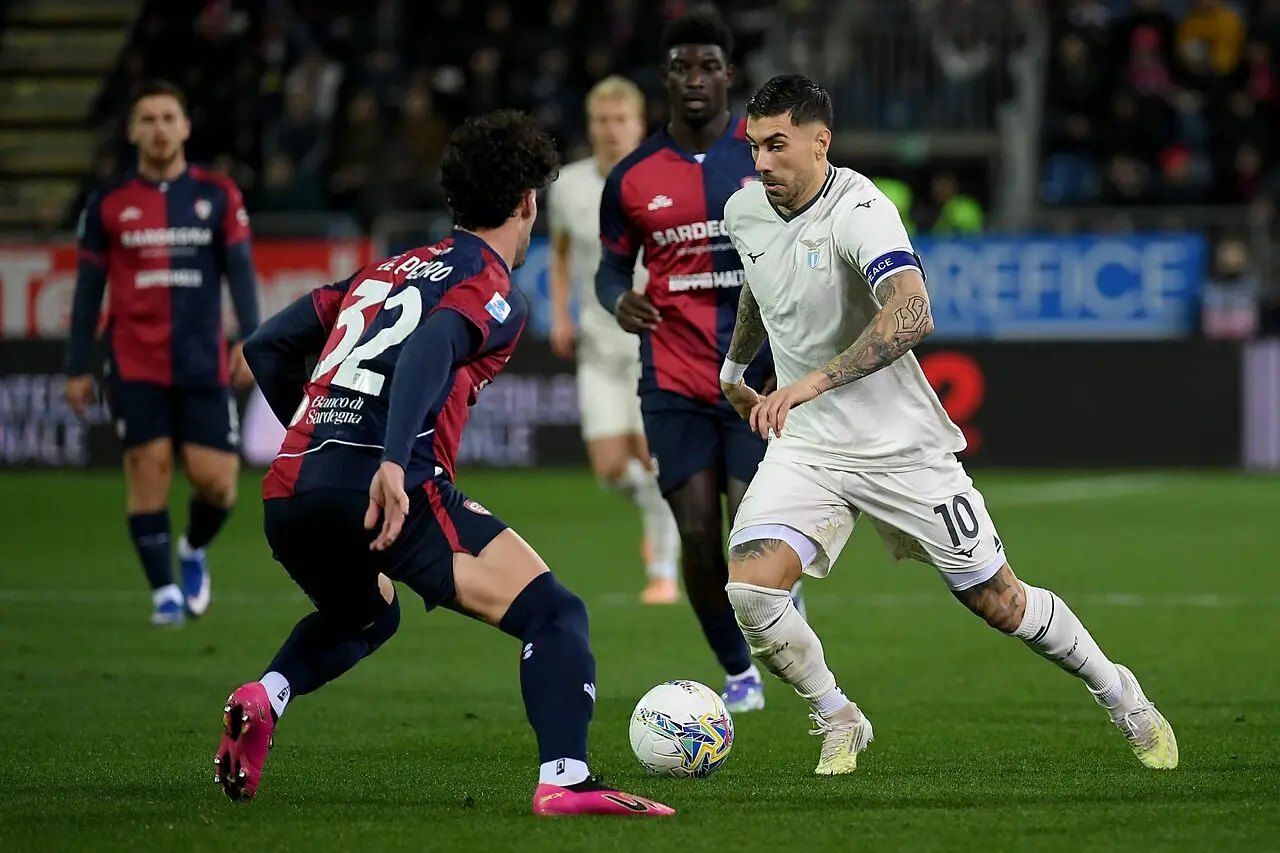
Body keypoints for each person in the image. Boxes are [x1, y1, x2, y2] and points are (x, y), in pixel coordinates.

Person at [215, 110, 675, 818]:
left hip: (293, 491)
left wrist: (315, 441)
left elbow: (268, 344)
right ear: (527, 203)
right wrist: (392, 462)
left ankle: (266, 694)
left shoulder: (385, 268)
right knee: (555, 614)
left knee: (366, 613)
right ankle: (566, 779)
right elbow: (431, 346)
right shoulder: (492, 287)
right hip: (388, 490)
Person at [719, 74, 1178, 774]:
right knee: (751, 589)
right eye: (754, 146)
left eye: (777, 145)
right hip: (809, 447)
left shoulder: (860, 208)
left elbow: (912, 312)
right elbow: (761, 280)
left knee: (999, 600)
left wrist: (811, 380)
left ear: (820, 141)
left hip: (899, 447)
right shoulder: (746, 210)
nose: (761, 162)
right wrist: (734, 367)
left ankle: (1120, 692)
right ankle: (839, 713)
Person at [595, 9, 800, 714]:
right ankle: (737, 666)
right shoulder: (631, 177)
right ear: (666, 77)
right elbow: (607, 270)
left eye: (707, 66)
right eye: (682, 66)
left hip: (752, 381)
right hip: (673, 380)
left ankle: (774, 608)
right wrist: (619, 300)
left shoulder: (765, 160)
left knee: (747, 525)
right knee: (697, 532)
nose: (695, 79)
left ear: (729, 75)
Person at [64, 80, 260, 627]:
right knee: (147, 469)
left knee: (217, 482)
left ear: (185, 128)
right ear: (132, 131)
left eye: (167, 117)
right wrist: (77, 365)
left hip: (202, 359)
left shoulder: (218, 195)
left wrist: (253, 335)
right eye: (147, 119)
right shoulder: (108, 204)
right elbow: (86, 291)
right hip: (134, 361)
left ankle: (193, 549)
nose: (158, 129)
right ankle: (164, 594)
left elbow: (240, 271)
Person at [547, 76, 680, 605]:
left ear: (639, 124)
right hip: (597, 345)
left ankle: (665, 572)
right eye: (601, 120)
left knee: (655, 462)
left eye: (620, 119)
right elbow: (558, 254)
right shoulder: (568, 186)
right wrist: (560, 315)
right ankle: (657, 517)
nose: (610, 129)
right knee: (609, 469)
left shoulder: (658, 179)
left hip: (654, 342)